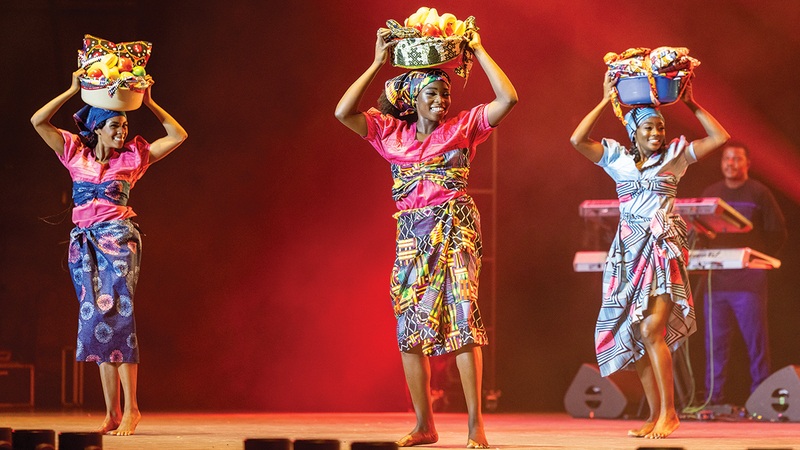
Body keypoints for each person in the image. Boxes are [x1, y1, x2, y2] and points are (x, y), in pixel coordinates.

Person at [334, 28, 516, 448]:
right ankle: (424, 425)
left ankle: (475, 427)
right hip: (412, 236)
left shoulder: (463, 127)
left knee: (463, 321)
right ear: (412, 98)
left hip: (455, 226)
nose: (441, 100)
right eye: (432, 93)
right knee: (409, 328)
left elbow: (508, 99)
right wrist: (377, 63)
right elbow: (343, 112)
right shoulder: (389, 133)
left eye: (445, 94)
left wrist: (479, 50)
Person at [570, 72, 729, 439]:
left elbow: (719, 137)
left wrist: (690, 103)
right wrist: (605, 100)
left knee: (650, 329)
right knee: (635, 332)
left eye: (660, 127)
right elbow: (577, 139)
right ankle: (655, 414)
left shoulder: (675, 157)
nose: (657, 133)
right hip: (627, 255)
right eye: (649, 128)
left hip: (660, 250)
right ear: (634, 132)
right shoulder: (616, 158)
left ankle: (670, 413)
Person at [31, 68, 188, 435]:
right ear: (97, 128)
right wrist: (72, 89)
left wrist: (149, 102)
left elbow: (178, 135)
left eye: (124, 126)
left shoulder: (133, 157)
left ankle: (132, 409)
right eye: (115, 126)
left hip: (118, 239)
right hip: (83, 243)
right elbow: (38, 121)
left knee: (118, 316)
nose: (122, 132)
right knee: (96, 322)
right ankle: (112, 412)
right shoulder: (74, 152)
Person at [700, 142, 786, 405]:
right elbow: (699, 231)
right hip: (716, 281)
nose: (730, 163)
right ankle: (713, 400)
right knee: (714, 344)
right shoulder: (711, 193)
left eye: (736, 159)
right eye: (726, 159)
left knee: (755, 343)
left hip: (748, 281)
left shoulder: (759, 192)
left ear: (747, 163)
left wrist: (757, 260)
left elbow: (777, 231)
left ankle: (761, 401)